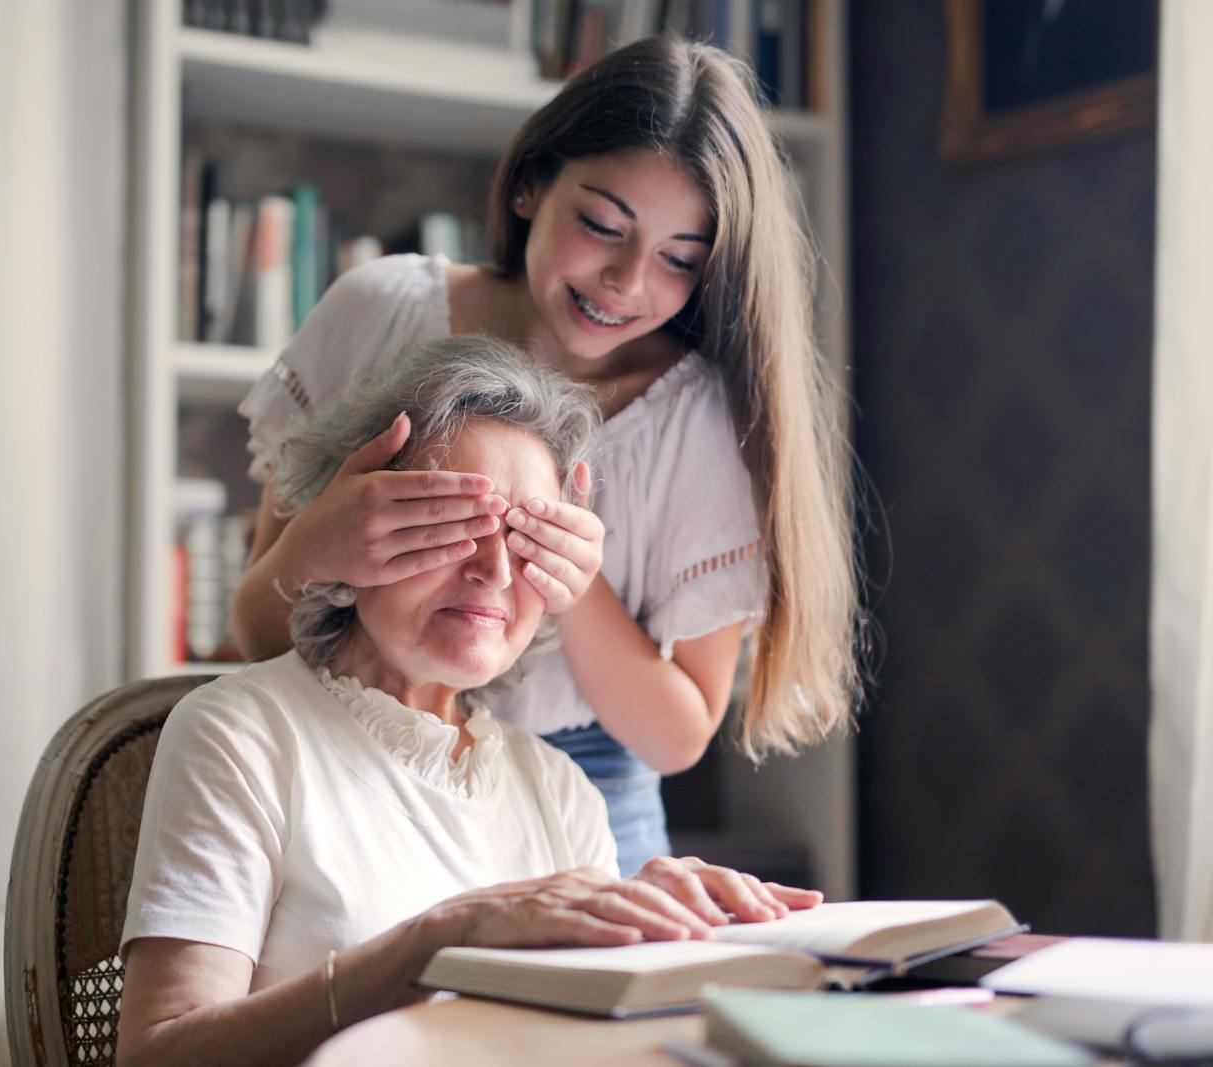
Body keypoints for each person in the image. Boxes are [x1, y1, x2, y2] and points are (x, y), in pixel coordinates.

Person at [231, 36, 861, 875]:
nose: (625, 282)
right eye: (602, 225)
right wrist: (319, 545)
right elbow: (254, 632)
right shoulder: (379, 312)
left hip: (589, 795)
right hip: (354, 761)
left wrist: (567, 578)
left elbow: (677, 735)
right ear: (531, 185)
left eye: (679, 259)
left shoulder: (699, 420)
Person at [116, 337, 821, 1067]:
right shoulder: (240, 736)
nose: (492, 568)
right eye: (453, 522)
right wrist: (441, 937)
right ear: (360, 527)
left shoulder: (561, 792)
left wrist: (682, 940)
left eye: (527, 538)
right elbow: (156, 1055)